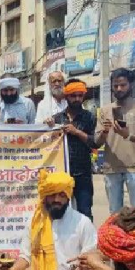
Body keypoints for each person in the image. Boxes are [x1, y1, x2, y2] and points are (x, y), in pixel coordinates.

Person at [0, 171, 98, 270]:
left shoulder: (82, 222)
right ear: (45, 197)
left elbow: (92, 258)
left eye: (61, 195)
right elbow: (25, 257)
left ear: (68, 197)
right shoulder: (34, 223)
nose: (57, 199)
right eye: (52, 194)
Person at [94, 68, 135, 213]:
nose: (119, 89)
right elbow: (97, 142)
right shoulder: (105, 110)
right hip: (111, 167)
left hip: (134, 167)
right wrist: (105, 132)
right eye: (115, 86)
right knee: (115, 213)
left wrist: (128, 135)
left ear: (130, 85)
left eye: (123, 85)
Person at [49, 78, 98, 220]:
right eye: (73, 95)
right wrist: (47, 126)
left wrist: (76, 132)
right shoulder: (57, 118)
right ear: (66, 96)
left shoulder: (89, 117)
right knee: (59, 211)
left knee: (85, 212)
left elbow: (95, 143)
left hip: (83, 173)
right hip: (62, 173)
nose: (77, 99)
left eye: (80, 95)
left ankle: (88, 241)